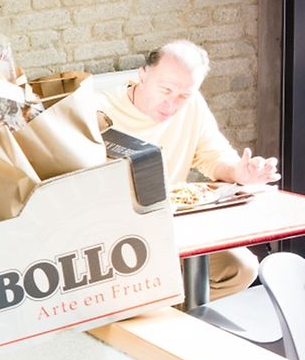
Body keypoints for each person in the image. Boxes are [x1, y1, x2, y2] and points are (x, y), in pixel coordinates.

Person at [98, 39, 280, 300]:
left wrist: (241, 173)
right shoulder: (100, 110)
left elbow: (214, 156)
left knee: (241, 268)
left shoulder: (192, 106)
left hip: (172, 223)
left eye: (183, 96)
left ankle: (169, 317)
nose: (171, 104)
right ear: (142, 74)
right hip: (115, 231)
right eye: (166, 90)